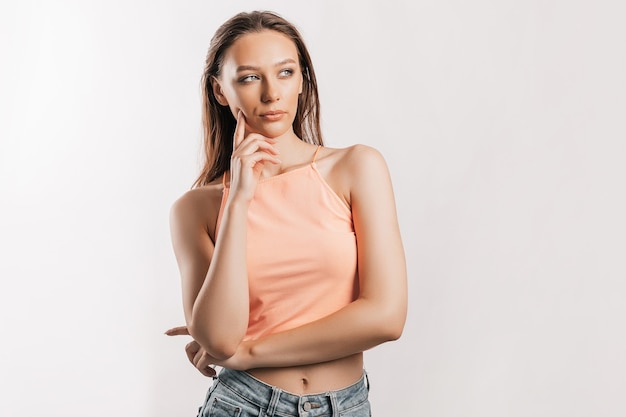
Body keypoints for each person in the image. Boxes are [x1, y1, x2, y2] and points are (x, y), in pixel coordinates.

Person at [165, 10, 407, 417]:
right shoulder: (196, 209)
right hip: (241, 404)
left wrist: (250, 351)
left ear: (302, 82)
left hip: (345, 406)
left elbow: (386, 316)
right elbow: (221, 341)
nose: (271, 94)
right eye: (249, 77)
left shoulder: (356, 168)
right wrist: (239, 199)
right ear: (219, 91)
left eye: (285, 72)